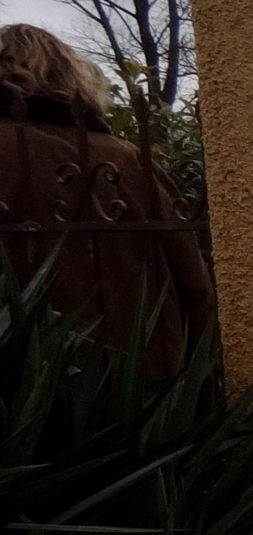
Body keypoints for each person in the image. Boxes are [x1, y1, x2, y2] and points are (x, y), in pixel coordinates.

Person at [0, 23, 215, 379]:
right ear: (69, 77)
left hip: (23, 394)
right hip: (137, 385)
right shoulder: (126, 158)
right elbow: (192, 282)